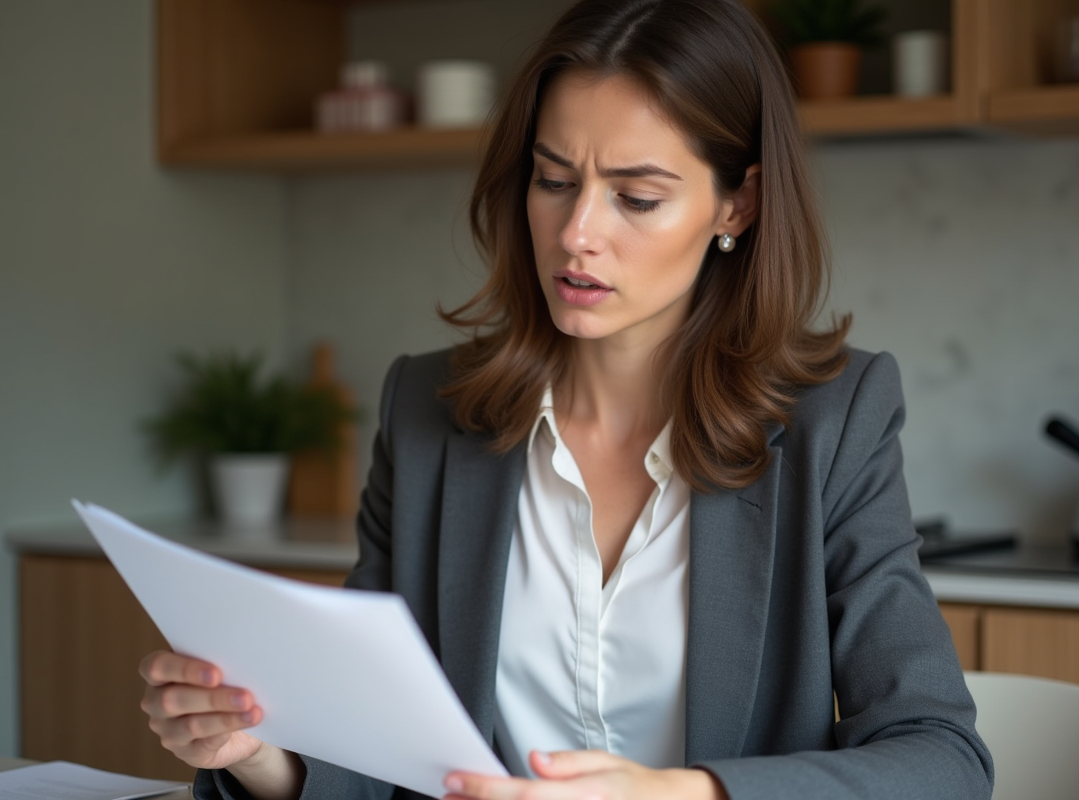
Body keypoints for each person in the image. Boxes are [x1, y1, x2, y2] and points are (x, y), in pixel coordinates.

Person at [137, 1, 994, 798]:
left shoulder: (833, 422)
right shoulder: (427, 412)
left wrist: (682, 794)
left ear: (740, 201)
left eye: (637, 196)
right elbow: (377, 745)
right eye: (554, 180)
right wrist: (259, 751)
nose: (578, 232)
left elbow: (942, 759)